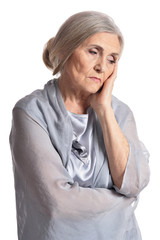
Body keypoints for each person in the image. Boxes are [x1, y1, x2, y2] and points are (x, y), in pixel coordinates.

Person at [10, 11, 150, 240]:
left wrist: (104, 110)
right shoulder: (31, 112)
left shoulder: (120, 113)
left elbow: (132, 183)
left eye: (111, 59)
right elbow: (57, 204)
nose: (101, 67)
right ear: (65, 49)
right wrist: (122, 202)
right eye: (93, 52)